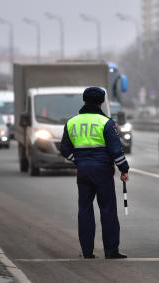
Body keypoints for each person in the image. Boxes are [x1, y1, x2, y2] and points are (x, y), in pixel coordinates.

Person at [60, 87, 129, 259]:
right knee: (107, 210)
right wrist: (124, 169)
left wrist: (77, 160)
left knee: (84, 209)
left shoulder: (71, 122)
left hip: (83, 170)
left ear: (84, 100)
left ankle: (87, 251)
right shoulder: (106, 123)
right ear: (101, 102)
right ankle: (111, 251)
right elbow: (116, 150)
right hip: (102, 171)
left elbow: (64, 149)